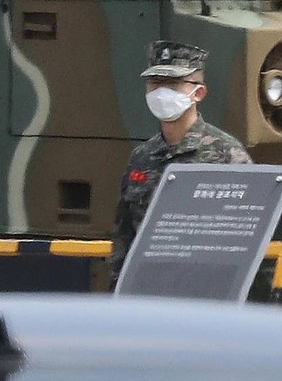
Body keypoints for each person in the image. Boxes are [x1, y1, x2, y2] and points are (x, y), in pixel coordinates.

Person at [108, 40, 252, 287]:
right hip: (149, 291)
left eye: (173, 84)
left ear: (198, 93)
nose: (162, 93)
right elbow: (124, 234)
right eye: (155, 83)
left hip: (207, 293)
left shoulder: (227, 154)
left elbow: (248, 234)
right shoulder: (142, 157)